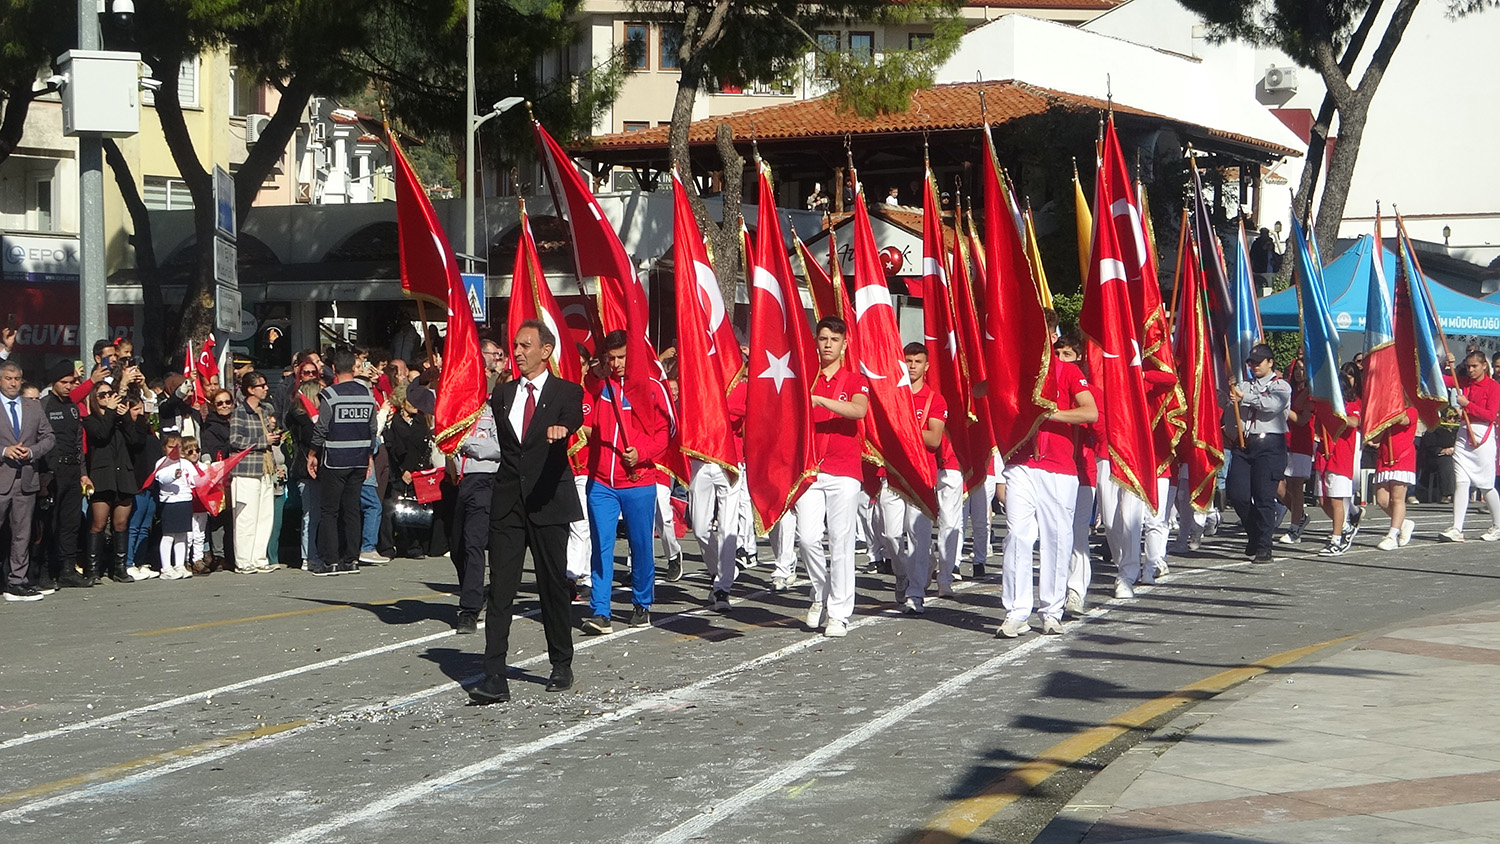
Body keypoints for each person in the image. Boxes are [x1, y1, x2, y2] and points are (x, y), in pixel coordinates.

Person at [469, 319, 583, 704]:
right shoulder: (502, 396)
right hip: (508, 504)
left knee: (552, 585)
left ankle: (561, 663)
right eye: (514, 345)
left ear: (545, 350)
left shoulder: (566, 392)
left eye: (525, 345)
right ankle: (494, 674)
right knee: (501, 588)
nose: (516, 352)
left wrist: (561, 431)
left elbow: (574, 418)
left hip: (549, 501)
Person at [996, 349, 1096, 638]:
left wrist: (1051, 414)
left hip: (1058, 467)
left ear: (1051, 336)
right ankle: (1016, 611)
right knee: (1017, 535)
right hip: (1020, 463)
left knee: (1056, 537)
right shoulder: (1014, 369)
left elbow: (1090, 411)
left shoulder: (1068, 371)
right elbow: (980, 389)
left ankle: (1052, 610)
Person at [579, 330, 670, 634]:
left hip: (638, 480)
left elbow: (665, 433)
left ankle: (642, 603)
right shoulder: (599, 384)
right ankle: (600, 611)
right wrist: (595, 371)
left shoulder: (653, 389)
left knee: (641, 545)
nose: (616, 363)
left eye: (622, 357)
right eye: (612, 357)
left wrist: (641, 454)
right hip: (602, 481)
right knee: (601, 546)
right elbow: (585, 396)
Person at [796, 317, 869, 639]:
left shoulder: (855, 379)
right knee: (808, 538)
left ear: (844, 344)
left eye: (834, 340)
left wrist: (822, 400)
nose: (827, 345)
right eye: (823, 338)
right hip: (812, 469)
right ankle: (820, 591)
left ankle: (839, 613)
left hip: (844, 471)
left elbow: (859, 411)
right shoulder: (804, 378)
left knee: (841, 542)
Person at [895, 342, 962, 614]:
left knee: (918, 534)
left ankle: (915, 592)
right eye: (908, 360)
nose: (912, 366)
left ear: (926, 366)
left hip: (922, 471)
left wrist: (901, 427)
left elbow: (934, 439)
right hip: (893, 470)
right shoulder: (894, 395)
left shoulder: (935, 399)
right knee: (888, 534)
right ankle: (906, 574)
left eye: (917, 361)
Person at [309, 349, 379, 575]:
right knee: (352, 510)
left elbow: (321, 428)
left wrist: (312, 453)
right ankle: (352, 559)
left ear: (335, 370)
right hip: (359, 459)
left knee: (330, 511)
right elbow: (372, 428)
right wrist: (369, 455)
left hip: (335, 460)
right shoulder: (368, 395)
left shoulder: (330, 395)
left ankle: (330, 562)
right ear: (354, 368)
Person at [1227, 345, 1292, 564]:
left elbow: (1272, 405)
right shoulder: (1244, 385)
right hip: (1244, 443)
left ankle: (1264, 546)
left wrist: (1244, 398)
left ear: (1270, 362)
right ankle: (1254, 533)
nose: (1254, 366)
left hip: (1270, 444)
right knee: (1237, 494)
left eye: (1259, 362)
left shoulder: (1281, 385)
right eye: (1251, 362)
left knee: (1264, 497)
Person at [0, 361, 55, 601]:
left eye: (16, 379)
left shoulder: (32, 408)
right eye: (7, 378)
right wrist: (4, 451)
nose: (12, 383)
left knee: (22, 533)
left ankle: (17, 581)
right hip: (2, 475)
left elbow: (49, 437)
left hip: (26, 479)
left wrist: (32, 451)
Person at [84, 380, 141, 583]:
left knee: (121, 523)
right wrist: (109, 412)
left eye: (110, 393)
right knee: (98, 523)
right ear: (95, 398)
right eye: (102, 394)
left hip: (123, 475)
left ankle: (119, 568)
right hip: (103, 476)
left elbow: (135, 441)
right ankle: (92, 570)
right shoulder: (91, 420)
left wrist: (125, 416)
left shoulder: (119, 419)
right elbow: (101, 435)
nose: (107, 397)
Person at [1441, 351, 1500, 541]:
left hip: (1483, 437)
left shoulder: (1493, 386)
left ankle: (1498, 525)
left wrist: (1468, 405)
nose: (1471, 370)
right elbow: (1441, 379)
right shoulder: (1463, 382)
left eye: (1475, 366)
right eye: (1468, 366)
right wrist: (1446, 363)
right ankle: (1457, 528)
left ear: (1484, 365)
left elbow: (1490, 415)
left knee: (1486, 484)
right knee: (1461, 482)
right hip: (1464, 434)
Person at [41, 361, 89, 588]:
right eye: (64, 383)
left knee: (71, 522)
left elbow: (78, 442)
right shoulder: (44, 406)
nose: (69, 387)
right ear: (54, 382)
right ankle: (45, 570)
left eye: (71, 382)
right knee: (50, 523)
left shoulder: (72, 407)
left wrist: (83, 473)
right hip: (52, 472)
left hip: (72, 471)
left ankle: (67, 570)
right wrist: (44, 473)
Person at [228, 371, 281, 574]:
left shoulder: (265, 410)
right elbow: (235, 440)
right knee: (246, 518)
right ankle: (243, 560)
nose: (266, 388)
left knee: (265, 516)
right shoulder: (239, 412)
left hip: (266, 469)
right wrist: (262, 441)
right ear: (250, 389)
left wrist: (274, 438)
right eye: (262, 385)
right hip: (246, 471)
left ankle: (259, 558)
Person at [1313, 364, 1363, 556]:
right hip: (1323, 455)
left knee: (1336, 501)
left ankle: (1336, 539)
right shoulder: (1324, 407)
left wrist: (1337, 414)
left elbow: (1354, 422)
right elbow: (1317, 428)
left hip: (1341, 457)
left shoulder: (1351, 405)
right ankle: (1346, 527)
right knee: (1322, 500)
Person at [1277, 360, 1315, 544]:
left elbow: (1301, 420)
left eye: (1303, 369)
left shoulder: (1311, 393)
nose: (1299, 372)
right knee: (1278, 486)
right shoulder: (1288, 390)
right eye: (1297, 369)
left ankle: (1294, 528)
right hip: (1284, 441)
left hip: (1301, 442)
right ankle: (1299, 516)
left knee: (1296, 485)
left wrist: (1283, 409)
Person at [152, 432, 197, 580]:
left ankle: (179, 565)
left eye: (177, 447)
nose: (174, 450)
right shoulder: (161, 463)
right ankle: (166, 568)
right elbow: (162, 479)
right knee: (168, 536)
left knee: (182, 535)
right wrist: (173, 475)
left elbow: (197, 478)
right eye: (171, 447)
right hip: (170, 502)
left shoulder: (186, 463)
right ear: (164, 447)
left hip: (185, 501)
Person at [1373, 407, 1418, 551]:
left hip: (1402, 457)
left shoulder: (1411, 410)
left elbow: (1403, 420)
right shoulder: (1384, 412)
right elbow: (1375, 438)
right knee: (1382, 499)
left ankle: (1392, 535)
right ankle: (1403, 523)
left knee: (1397, 499)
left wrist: (1389, 413)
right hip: (1384, 457)